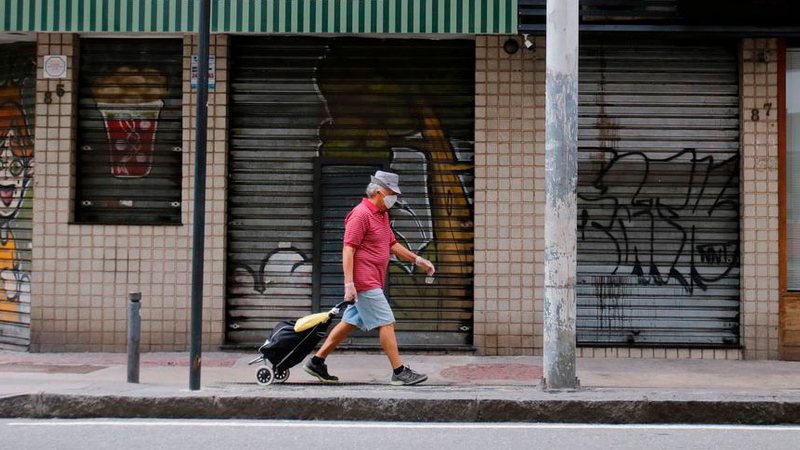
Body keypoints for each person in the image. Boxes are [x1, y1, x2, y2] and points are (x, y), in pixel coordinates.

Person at [304, 170, 436, 386]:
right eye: (391, 193)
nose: (395, 197)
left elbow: (392, 245)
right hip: (364, 282)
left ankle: (317, 362)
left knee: (349, 322)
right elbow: (348, 250)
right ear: (377, 191)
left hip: (374, 279)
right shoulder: (361, 214)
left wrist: (418, 260)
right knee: (387, 322)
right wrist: (349, 284)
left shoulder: (381, 214)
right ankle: (399, 371)